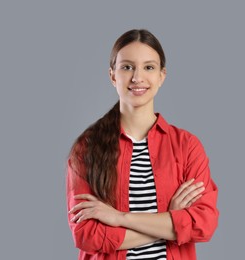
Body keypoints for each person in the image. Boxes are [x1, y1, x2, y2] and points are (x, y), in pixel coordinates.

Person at [66, 29, 219, 260]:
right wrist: (170, 218)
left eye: (149, 67)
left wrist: (119, 218)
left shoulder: (187, 146)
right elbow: (88, 235)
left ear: (162, 76)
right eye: (127, 67)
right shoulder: (87, 148)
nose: (137, 77)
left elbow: (203, 224)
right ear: (112, 75)